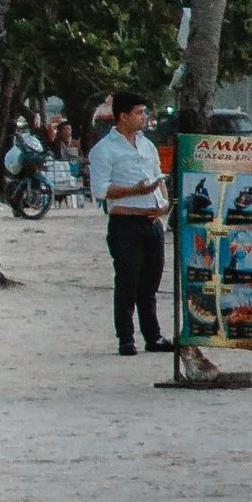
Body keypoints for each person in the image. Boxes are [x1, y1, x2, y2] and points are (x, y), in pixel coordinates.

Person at [86, 86, 170, 353]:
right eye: (138, 112)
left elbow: (158, 178)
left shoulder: (147, 145)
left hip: (152, 220)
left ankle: (153, 336)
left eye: (144, 112)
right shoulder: (104, 150)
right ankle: (126, 337)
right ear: (122, 116)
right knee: (127, 281)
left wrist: (164, 204)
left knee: (150, 284)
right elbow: (100, 190)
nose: (143, 117)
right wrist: (135, 191)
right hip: (126, 223)